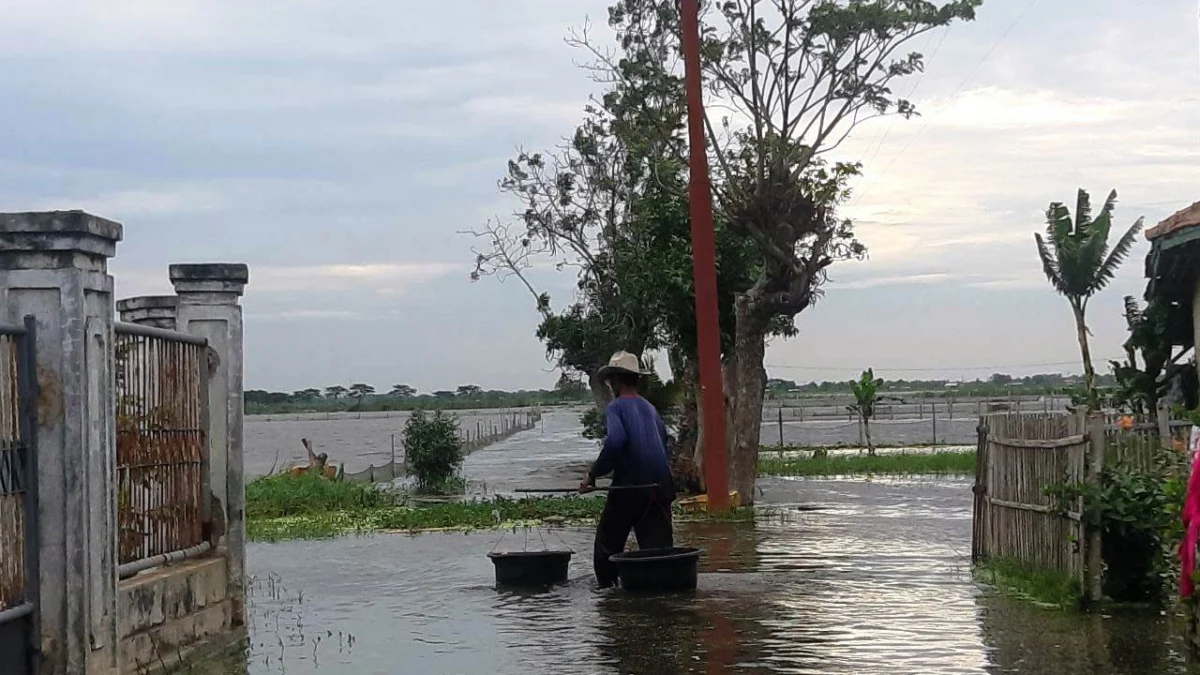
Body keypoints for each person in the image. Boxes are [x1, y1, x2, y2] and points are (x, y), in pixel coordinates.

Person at [580, 351, 676, 587]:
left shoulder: (616, 408)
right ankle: (664, 604)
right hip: (659, 488)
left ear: (615, 381)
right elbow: (665, 444)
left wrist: (592, 475)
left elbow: (615, 442)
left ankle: (608, 596)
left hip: (629, 488)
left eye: (611, 380)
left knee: (606, 548)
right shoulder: (651, 409)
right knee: (660, 556)